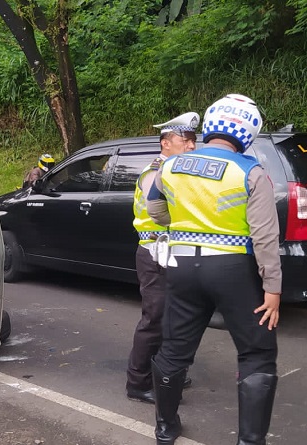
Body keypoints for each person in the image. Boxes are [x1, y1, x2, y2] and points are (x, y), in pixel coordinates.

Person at [146, 94, 281, 445]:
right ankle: (250, 441)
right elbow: (265, 237)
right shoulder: (250, 172)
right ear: (248, 132)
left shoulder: (171, 167)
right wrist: (273, 290)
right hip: (232, 267)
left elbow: (156, 211)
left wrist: (184, 222)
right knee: (257, 351)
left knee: (174, 347)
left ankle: (165, 428)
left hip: (182, 267)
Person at [126, 112, 199, 404]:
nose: (192, 146)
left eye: (194, 141)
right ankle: (137, 381)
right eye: (186, 140)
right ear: (166, 143)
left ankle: (165, 372)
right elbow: (164, 208)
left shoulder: (181, 172)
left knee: (174, 318)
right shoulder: (154, 172)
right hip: (154, 253)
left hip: (173, 253)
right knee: (154, 319)